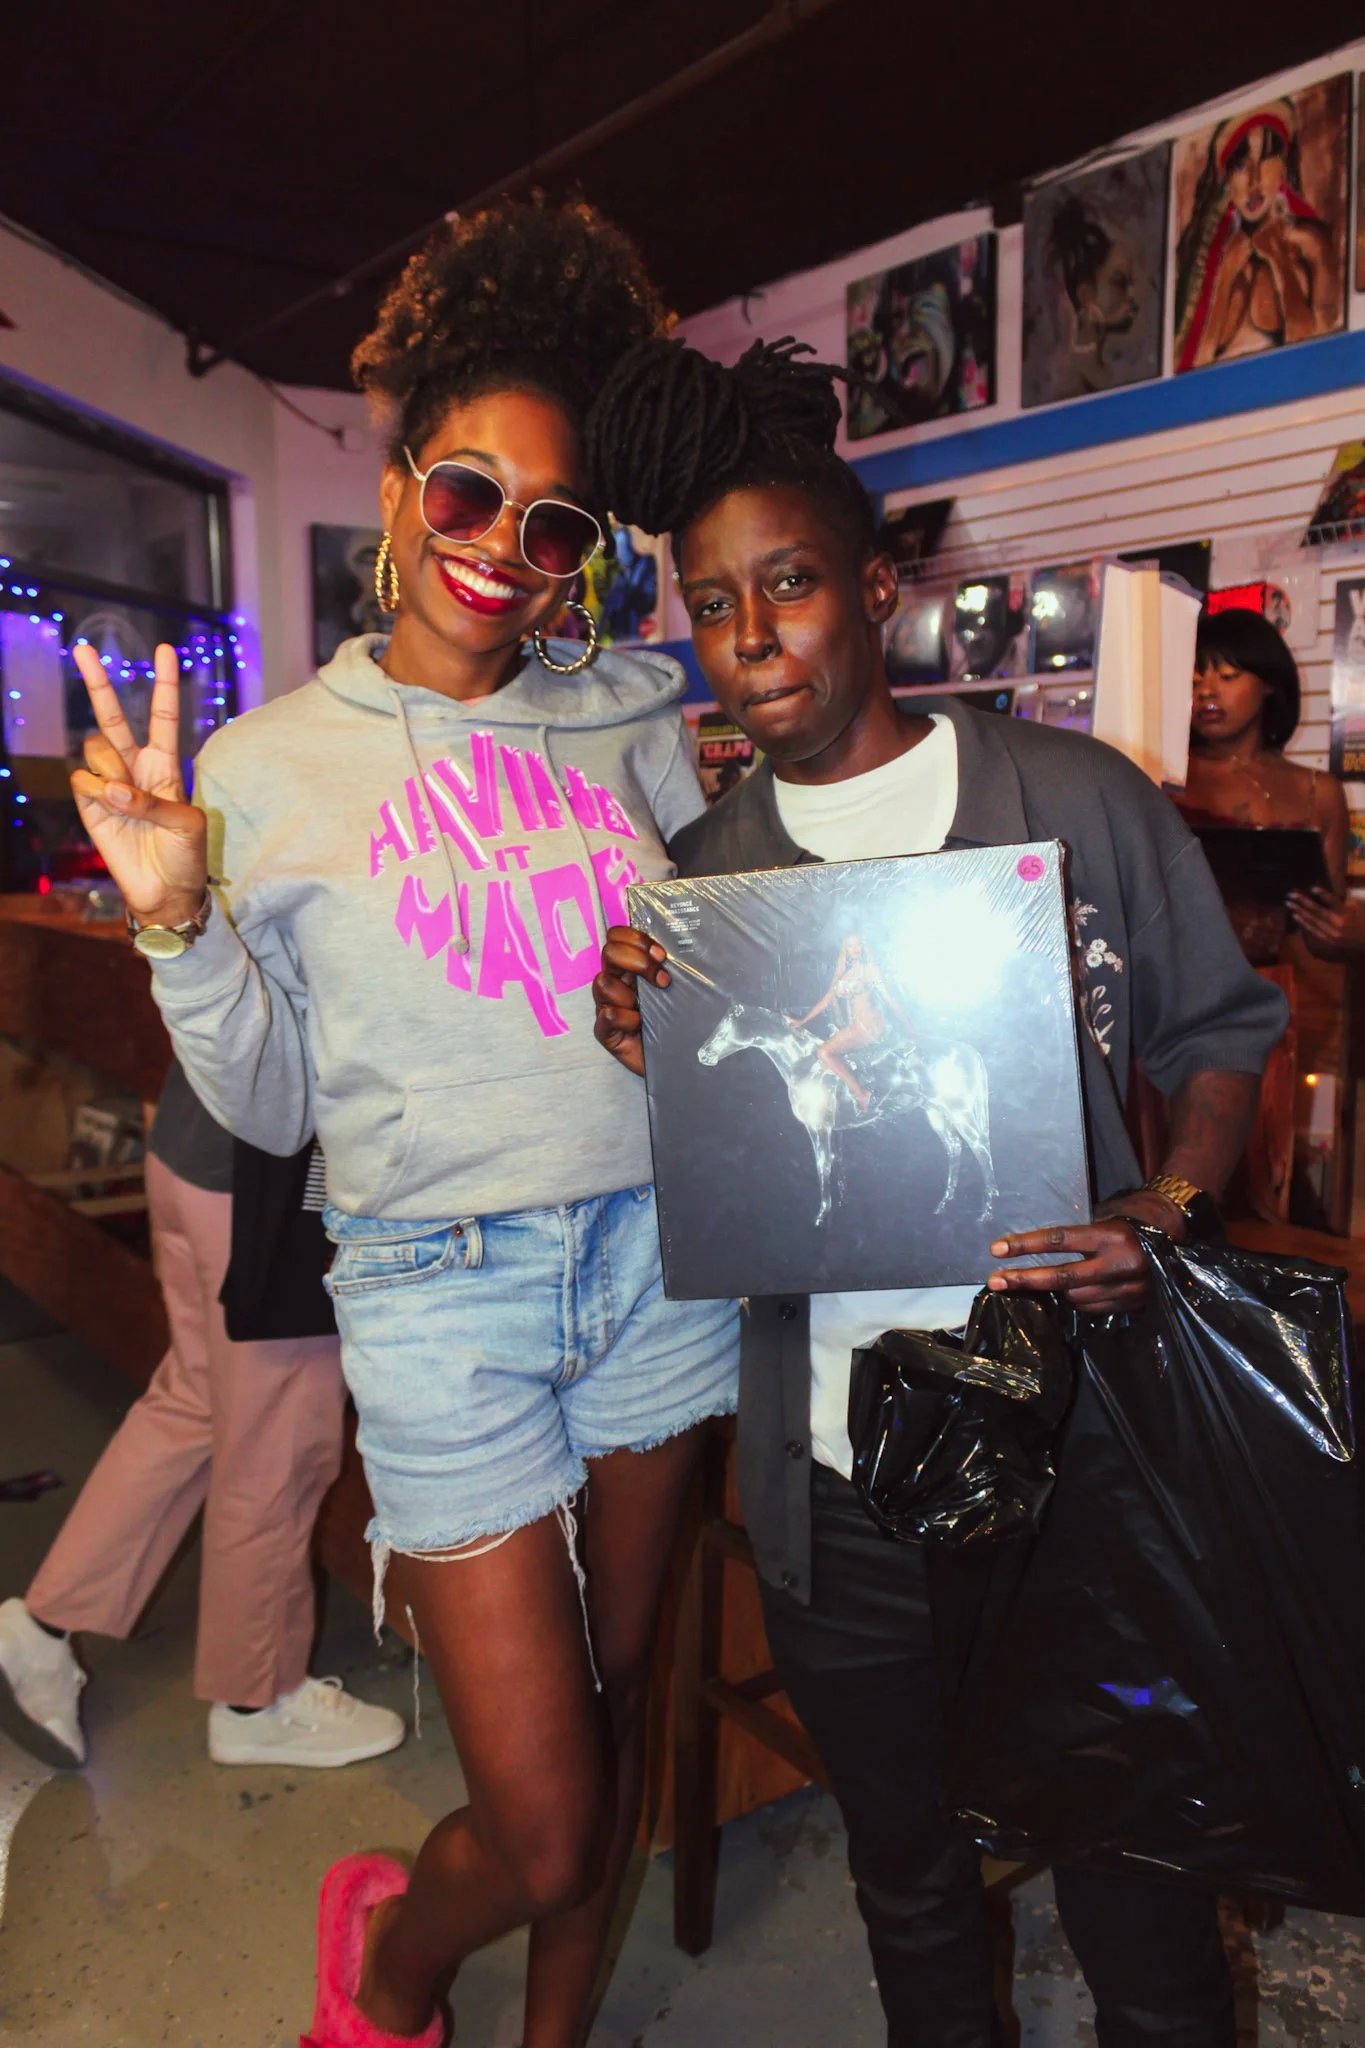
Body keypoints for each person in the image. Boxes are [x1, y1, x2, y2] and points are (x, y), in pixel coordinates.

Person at [66, 201, 738, 2048]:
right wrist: (177, 918)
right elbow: (271, 1103)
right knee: (545, 1815)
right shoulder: (264, 768)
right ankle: (388, 1967)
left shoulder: (635, 717)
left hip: (657, 1265)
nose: (502, 550)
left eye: (553, 524)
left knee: (611, 1714)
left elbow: (712, 981)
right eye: (466, 494)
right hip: (441, 1293)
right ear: (396, 494)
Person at [588, 334, 1286, 2048]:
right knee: (906, 1885)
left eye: (789, 584)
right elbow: (746, 1169)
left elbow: (1220, 1038)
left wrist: (1163, 1210)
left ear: (877, 589)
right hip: (841, 1480)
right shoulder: (705, 880)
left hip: (1084, 1456)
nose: (751, 638)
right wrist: (650, 1051)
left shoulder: (1075, 800)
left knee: (1136, 1881)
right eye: (711, 603)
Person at [0, 1059, 400, 1772]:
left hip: (193, 1150)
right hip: (273, 1190)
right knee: (276, 1449)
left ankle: (37, 1630)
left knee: (193, 1404)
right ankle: (257, 1703)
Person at [1181, 605, 1363, 953]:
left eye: (1227, 676)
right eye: (1194, 681)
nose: (1206, 691)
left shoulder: (1319, 792)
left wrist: (1349, 930)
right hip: (1173, 980)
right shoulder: (1159, 780)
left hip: (1277, 982)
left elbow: (1323, 935)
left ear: (1268, 683)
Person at [1174, 96, 1342, 372]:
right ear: (1227, 179)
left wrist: (1279, 259)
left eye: (1266, 159)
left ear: (1283, 166)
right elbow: (1192, 370)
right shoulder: (1210, 259)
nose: (1254, 181)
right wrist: (1226, 276)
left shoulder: (1311, 242)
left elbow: (1320, 356)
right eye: (1241, 166)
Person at [785, 933, 909, 1113]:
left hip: (870, 1026)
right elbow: (827, 999)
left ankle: (861, 1093)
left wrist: (909, 1027)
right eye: (850, 946)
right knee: (822, 1056)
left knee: (824, 1052)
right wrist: (802, 1020)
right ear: (845, 950)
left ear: (864, 946)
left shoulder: (870, 969)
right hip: (855, 1025)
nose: (855, 949)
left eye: (858, 944)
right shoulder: (845, 973)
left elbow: (890, 999)